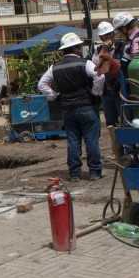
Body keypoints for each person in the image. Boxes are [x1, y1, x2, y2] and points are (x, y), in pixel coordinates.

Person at [38, 32, 106, 181]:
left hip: (68, 110)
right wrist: (96, 92)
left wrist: (54, 95)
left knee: (73, 141)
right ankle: (94, 172)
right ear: (76, 48)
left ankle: (74, 173)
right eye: (79, 47)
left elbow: (41, 84)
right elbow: (100, 76)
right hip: (87, 107)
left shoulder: (54, 68)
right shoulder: (85, 63)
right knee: (91, 140)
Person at [93, 21, 122, 127]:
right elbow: (96, 66)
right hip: (106, 89)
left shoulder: (121, 46)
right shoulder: (98, 50)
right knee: (110, 120)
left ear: (113, 34)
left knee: (124, 117)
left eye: (109, 34)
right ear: (100, 37)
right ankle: (115, 142)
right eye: (104, 36)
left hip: (120, 88)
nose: (107, 37)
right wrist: (104, 50)